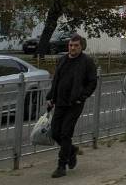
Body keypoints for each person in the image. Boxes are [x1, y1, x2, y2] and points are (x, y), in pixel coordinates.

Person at [47, 34, 98, 178]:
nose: (73, 48)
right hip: (60, 102)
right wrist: (51, 97)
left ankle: (61, 166)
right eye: (71, 45)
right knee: (55, 132)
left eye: (76, 46)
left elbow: (92, 82)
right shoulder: (63, 60)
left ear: (81, 47)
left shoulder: (86, 62)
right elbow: (56, 79)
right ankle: (71, 150)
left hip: (74, 103)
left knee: (65, 133)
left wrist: (82, 96)